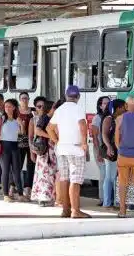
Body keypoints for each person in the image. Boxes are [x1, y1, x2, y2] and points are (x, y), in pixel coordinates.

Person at [46, 85, 90, 218]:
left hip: (62, 149)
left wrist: (56, 140)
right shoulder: (78, 108)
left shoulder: (60, 109)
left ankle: (65, 210)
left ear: (66, 96)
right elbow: (82, 124)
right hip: (75, 148)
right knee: (75, 180)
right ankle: (75, 211)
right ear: (78, 97)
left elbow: (49, 128)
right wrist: (83, 143)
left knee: (64, 179)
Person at [0, 98, 27, 202]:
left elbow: (22, 135)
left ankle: (20, 194)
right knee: (5, 170)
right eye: (6, 106)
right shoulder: (1, 119)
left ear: (14, 107)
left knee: (16, 171)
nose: (7, 108)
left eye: (9, 106)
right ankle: (6, 195)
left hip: (15, 146)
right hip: (4, 146)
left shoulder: (17, 120)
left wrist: (22, 125)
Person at [31, 100, 57, 207]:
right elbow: (37, 131)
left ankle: (50, 196)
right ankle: (43, 198)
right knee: (44, 174)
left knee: (50, 173)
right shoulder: (44, 118)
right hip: (45, 150)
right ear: (50, 108)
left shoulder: (52, 118)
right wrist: (51, 136)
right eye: (54, 107)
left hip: (50, 150)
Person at [101, 99, 124, 208]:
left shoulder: (117, 119)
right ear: (118, 108)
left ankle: (114, 201)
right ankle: (108, 202)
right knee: (110, 177)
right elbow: (104, 135)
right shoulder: (108, 119)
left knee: (114, 176)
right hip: (111, 151)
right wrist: (109, 147)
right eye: (123, 107)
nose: (125, 109)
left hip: (116, 150)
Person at [91, 96, 110, 206]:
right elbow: (94, 137)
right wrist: (98, 153)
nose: (107, 105)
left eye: (108, 103)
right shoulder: (96, 118)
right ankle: (102, 198)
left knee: (108, 175)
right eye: (104, 103)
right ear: (100, 105)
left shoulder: (109, 117)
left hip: (107, 150)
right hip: (100, 150)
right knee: (103, 174)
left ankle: (108, 198)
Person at [17, 92, 35, 199]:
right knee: (17, 165)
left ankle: (28, 187)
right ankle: (14, 186)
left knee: (30, 165)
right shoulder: (16, 112)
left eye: (26, 98)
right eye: (22, 98)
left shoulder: (32, 111)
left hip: (31, 141)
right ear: (19, 99)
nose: (24, 100)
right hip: (19, 142)